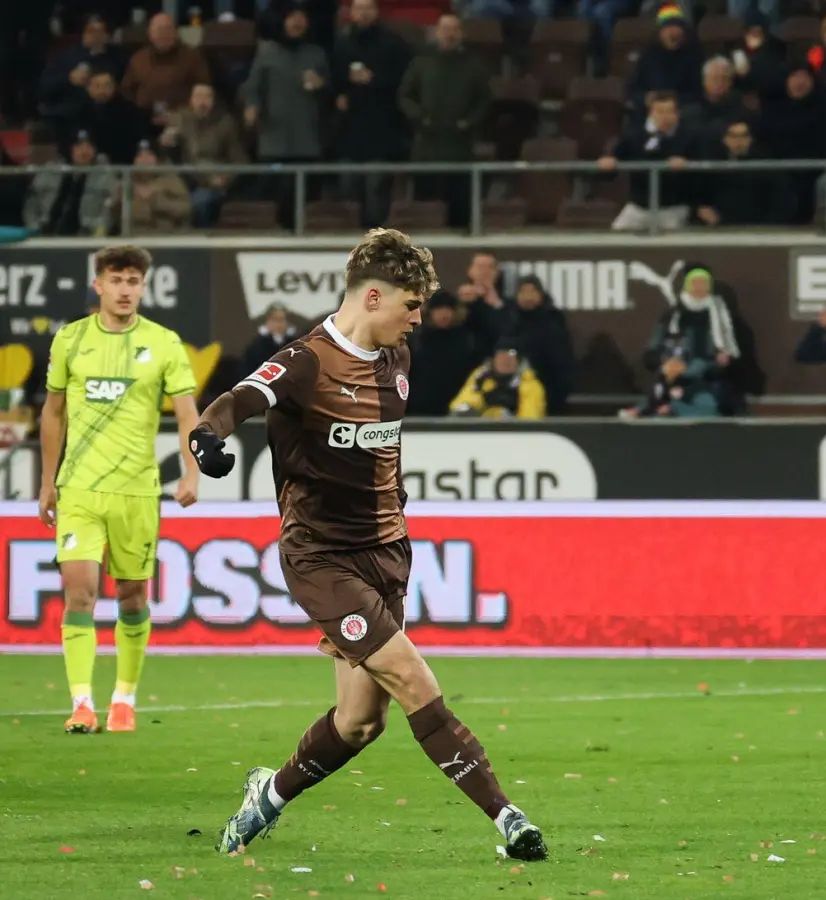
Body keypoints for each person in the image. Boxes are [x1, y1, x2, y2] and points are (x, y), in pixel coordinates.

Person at [188, 229, 547, 862]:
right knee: (411, 676)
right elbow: (238, 399)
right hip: (321, 556)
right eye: (411, 306)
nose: (417, 320)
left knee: (360, 722)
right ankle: (509, 817)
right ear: (373, 296)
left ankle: (265, 797)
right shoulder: (306, 360)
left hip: (387, 552)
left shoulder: (397, 362)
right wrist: (206, 439)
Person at [39, 245, 201, 734]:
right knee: (80, 591)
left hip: (137, 491)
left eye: (134, 280)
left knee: (132, 596)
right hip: (80, 489)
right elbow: (52, 411)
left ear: (143, 287)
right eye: (117, 279)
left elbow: (188, 411)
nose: (125, 289)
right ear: (99, 285)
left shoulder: (165, 343)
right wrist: (48, 482)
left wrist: (191, 471)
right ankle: (83, 703)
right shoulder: (70, 341)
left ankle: (124, 699)